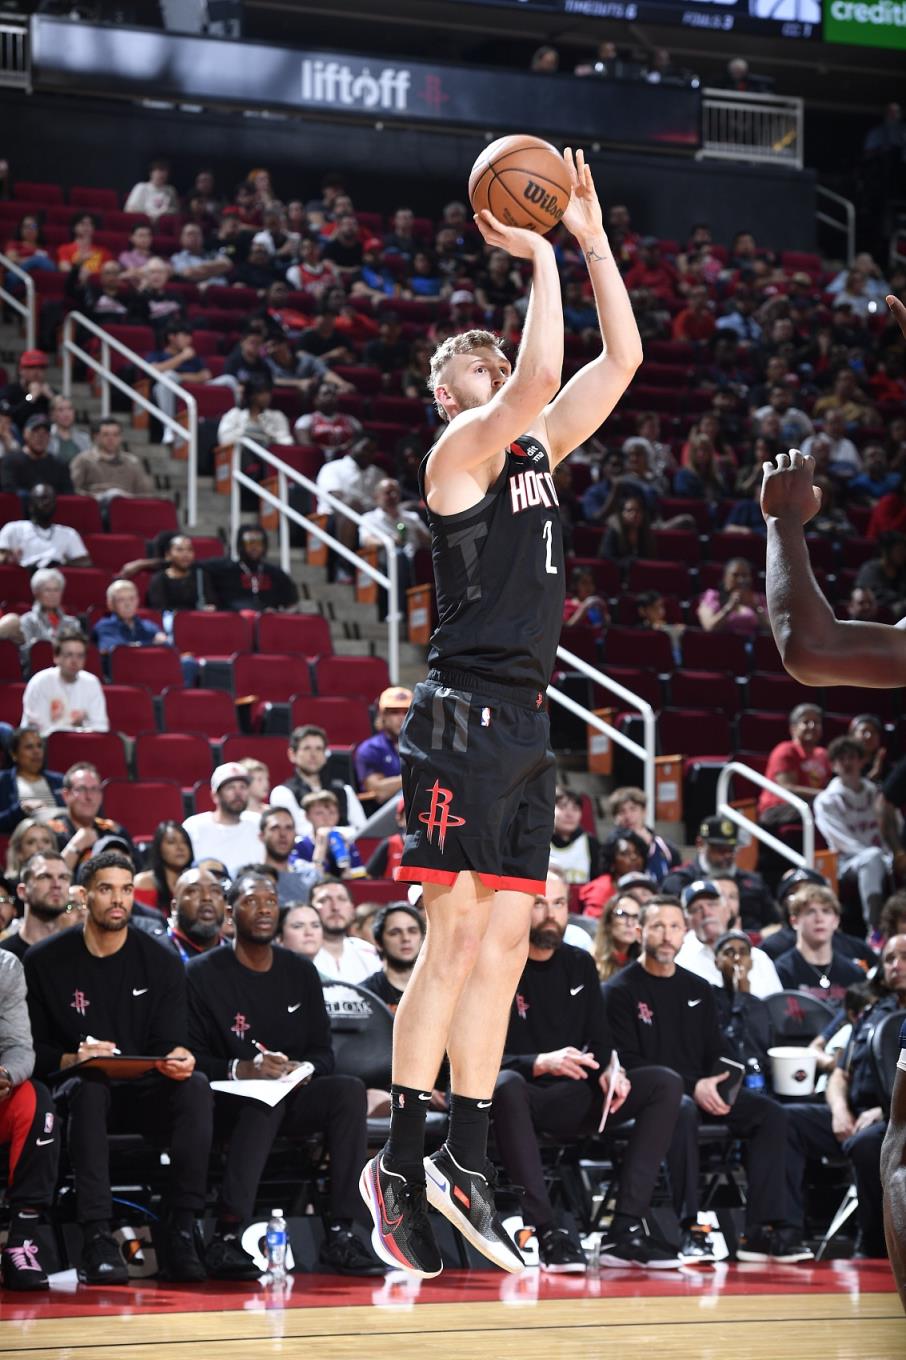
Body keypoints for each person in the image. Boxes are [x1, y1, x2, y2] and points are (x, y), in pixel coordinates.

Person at [361, 149, 643, 1278]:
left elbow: (620, 359)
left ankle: (464, 1159)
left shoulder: (538, 450)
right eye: (477, 364)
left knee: (508, 947)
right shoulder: (457, 454)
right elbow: (539, 377)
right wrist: (536, 253)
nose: (499, 368)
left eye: (496, 356)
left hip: (527, 719)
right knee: (452, 939)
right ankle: (401, 1157)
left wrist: (591, 239)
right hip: (461, 713)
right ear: (451, 394)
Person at [24, 850, 212, 1284]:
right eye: (106, 889)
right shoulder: (44, 961)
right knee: (90, 1086)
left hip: (144, 1090)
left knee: (196, 1086)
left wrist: (178, 1056)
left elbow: (168, 1041)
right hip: (77, 1090)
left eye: (126, 890)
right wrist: (75, 1058)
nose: (118, 900)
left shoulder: (161, 960)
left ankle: (182, 1228)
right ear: (84, 896)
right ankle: (97, 1235)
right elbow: (33, 1051)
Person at [186, 867, 382, 1278]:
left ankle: (342, 1233)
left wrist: (302, 1068)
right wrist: (243, 1069)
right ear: (229, 914)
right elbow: (191, 1056)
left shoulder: (300, 971)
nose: (263, 909)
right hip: (227, 1100)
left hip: (290, 1092)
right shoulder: (201, 973)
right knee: (264, 1102)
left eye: (271, 902)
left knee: (348, 1090)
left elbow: (323, 1053)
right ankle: (226, 1235)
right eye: (251, 901)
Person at [605, 896, 813, 1264]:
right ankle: (691, 1228)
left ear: (685, 934)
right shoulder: (618, 990)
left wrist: (718, 1083)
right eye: (657, 926)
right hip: (651, 1101)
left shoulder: (698, 988)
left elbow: (718, 1051)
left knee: (771, 1114)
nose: (666, 936)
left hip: (703, 1092)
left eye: (674, 927)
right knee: (681, 1107)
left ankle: (761, 1231)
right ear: (639, 932)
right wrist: (694, 1087)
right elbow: (629, 1062)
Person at [496, 870, 685, 1270]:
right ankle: (546, 1230)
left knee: (664, 1084)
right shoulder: (496, 962)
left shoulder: (580, 963)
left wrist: (611, 1070)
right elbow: (473, 1056)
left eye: (559, 904)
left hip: (577, 1093)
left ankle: (625, 1230)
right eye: (539, 904)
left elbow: (600, 1041)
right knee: (506, 1084)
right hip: (524, 1098)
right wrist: (538, 1062)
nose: (551, 914)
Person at [0, 950, 60, 1290]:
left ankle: (21, 1240)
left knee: (35, 1101)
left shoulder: (6, 966)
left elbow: (20, 1048)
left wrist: (6, 1074)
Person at [815, 736, 899, 932]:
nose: (847, 763)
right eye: (841, 758)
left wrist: (894, 854)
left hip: (882, 855)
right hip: (845, 862)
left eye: (852, 757)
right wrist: (881, 856)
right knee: (871, 859)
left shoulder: (877, 793)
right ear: (833, 765)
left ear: (862, 761)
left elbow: (895, 825)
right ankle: (874, 929)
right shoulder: (826, 800)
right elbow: (840, 840)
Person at [661, 815, 777, 933]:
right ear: (700, 844)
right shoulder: (680, 881)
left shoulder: (752, 882)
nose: (727, 855)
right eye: (720, 849)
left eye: (731, 850)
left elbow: (775, 922)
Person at [675, 880, 782, 998]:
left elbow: (778, 1004)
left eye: (712, 904)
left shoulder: (759, 958)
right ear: (687, 921)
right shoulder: (681, 963)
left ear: (727, 911)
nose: (706, 913)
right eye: (696, 909)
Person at [774, 884, 867, 1003]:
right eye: (810, 912)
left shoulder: (855, 973)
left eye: (826, 911)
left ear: (836, 921)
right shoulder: (781, 971)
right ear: (794, 921)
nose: (819, 919)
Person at [270, 724, 366, 838]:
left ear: (325, 755)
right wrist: (345, 832)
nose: (313, 754)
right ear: (292, 754)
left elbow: (363, 830)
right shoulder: (282, 793)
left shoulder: (344, 790)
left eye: (319, 749)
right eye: (307, 748)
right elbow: (300, 831)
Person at [47, 762, 135, 873]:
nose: (89, 797)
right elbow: (49, 877)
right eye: (81, 789)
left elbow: (137, 872)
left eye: (94, 789)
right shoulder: (50, 833)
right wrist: (75, 846)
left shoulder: (115, 831)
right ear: (66, 795)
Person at [757, 703, 832, 830]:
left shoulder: (823, 754)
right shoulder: (785, 750)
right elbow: (787, 788)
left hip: (809, 805)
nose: (812, 726)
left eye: (816, 722)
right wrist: (824, 795)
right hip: (777, 809)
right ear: (793, 728)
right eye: (806, 722)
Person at [21, 629, 109, 737]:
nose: (74, 661)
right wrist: (74, 726)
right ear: (56, 657)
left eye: (80, 656)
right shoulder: (40, 682)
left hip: (83, 744)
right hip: (46, 745)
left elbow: (101, 727)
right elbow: (38, 731)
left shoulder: (92, 683)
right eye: (69, 655)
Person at [182, 763, 264, 877]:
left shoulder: (258, 822)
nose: (238, 793)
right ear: (215, 796)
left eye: (243, 787)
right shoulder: (194, 826)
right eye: (230, 787)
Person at [135, 867, 227, 964]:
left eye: (215, 891)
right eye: (194, 891)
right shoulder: (153, 952)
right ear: (174, 907)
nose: (207, 897)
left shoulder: (235, 953)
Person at [204, 525, 298, 613]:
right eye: (249, 542)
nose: (254, 547)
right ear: (241, 544)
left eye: (258, 543)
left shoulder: (276, 574)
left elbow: (291, 605)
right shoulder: (225, 571)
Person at [0, 851, 73, 960]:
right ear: (22, 891)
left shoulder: (82, 951)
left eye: (63, 877)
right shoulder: (4, 957)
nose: (57, 884)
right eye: (44, 877)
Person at [0, 484, 91, 571]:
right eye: (41, 499)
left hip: (55, 578)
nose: (46, 503)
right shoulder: (13, 528)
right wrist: (8, 558)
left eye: (50, 500)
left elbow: (85, 562)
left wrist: (64, 563)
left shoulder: (69, 533)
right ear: (30, 505)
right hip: (23, 576)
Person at [353, 687, 413, 809]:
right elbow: (378, 791)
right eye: (394, 712)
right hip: (383, 814)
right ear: (382, 715)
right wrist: (415, 776)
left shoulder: (424, 747)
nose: (401, 717)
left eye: (406, 711)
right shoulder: (370, 748)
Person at [360, 903, 426, 1012]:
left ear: (422, 939)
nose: (406, 938)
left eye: (412, 931)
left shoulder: (439, 988)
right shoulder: (364, 994)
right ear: (378, 943)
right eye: (395, 933)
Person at [608, 786, 680, 883]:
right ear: (615, 817)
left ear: (644, 811)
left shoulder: (666, 848)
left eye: (633, 809)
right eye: (622, 811)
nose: (628, 816)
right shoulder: (611, 849)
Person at [70, 418, 153, 501]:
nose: (111, 439)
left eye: (115, 435)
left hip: (125, 506)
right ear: (96, 437)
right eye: (106, 435)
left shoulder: (132, 462)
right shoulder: (83, 460)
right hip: (93, 506)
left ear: (121, 437)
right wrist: (93, 497)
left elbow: (145, 494)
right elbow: (71, 490)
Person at [291, 791, 366, 880]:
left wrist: (345, 859)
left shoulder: (347, 843)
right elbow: (304, 879)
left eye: (332, 812)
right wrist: (320, 846)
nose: (327, 818)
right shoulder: (299, 845)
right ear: (307, 816)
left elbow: (360, 877)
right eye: (319, 813)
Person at [258, 806, 322, 905]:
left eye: (289, 828)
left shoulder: (311, 876)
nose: (283, 834)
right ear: (262, 836)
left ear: (295, 834)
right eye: (275, 828)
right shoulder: (249, 878)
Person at [0, 413, 74, 495]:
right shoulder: (10, 462)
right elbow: (7, 493)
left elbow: (68, 495)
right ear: (25, 434)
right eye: (35, 432)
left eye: (45, 433)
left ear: (50, 437)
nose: (40, 437)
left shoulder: (60, 465)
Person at [93, 578, 169, 655]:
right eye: (121, 600)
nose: (128, 604)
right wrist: (151, 644)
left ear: (138, 601)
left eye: (132, 599)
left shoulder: (149, 626)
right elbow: (118, 651)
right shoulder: (104, 626)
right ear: (110, 604)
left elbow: (167, 647)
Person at [132, 820, 194, 913]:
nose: (180, 847)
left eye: (185, 842)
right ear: (158, 848)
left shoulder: (193, 882)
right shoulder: (143, 882)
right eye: (171, 842)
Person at [697, 558, 769, 637]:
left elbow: (772, 630)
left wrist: (756, 608)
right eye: (735, 575)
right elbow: (709, 627)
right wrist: (729, 608)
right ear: (725, 578)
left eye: (744, 575)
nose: (740, 580)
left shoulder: (760, 599)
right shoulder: (713, 596)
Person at [147, 534, 215, 613]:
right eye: (179, 550)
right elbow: (159, 609)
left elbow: (210, 602)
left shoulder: (200, 576)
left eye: (190, 550)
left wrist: (209, 608)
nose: (186, 554)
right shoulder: (159, 579)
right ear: (168, 555)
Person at [548, 786, 600, 885]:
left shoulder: (591, 843)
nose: (569, 814)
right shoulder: (538, 841)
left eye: (575, 809)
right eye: (562, 807)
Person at [593, 891, 641, 982]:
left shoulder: (643, 964)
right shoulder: (591, 962)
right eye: (622, 915)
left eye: (636, 917)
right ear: (608, 922)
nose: (630, 923)